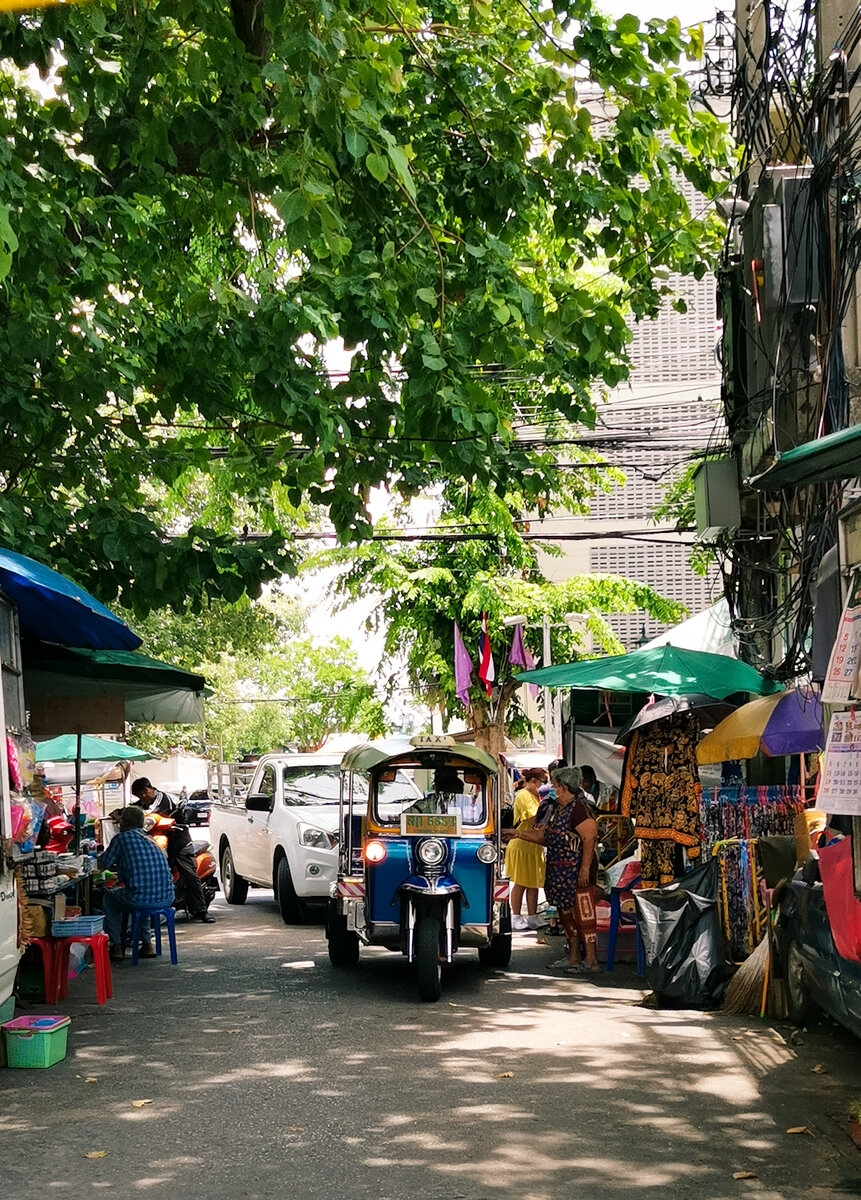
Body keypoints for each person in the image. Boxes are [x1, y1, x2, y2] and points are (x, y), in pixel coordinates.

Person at [505, 765, 600, 973]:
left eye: (555, 786)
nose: (552, 789)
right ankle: (573, 957)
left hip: (576, 873)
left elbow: (589, 837)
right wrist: (518, 834)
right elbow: (546, 837)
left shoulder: (579, 808)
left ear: (565, 788)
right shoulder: (560, 809)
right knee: (566, 915)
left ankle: (591, 961)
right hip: (560, 873)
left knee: (583, 914)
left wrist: (584, 868)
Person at [130, 778, 215, 924]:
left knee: (189, 873)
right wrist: (120, 813)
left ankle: (202, 911)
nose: (143, 797)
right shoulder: (143, 803)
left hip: (178, 842)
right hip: (156, 841)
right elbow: (133, 810)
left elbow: (152, 812)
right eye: (139, 795)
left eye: (144, 793)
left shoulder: (163, 799)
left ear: (149, 789)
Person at [100, 805, 175, 961]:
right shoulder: (150, 839)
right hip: (167, 896)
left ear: (124, 823)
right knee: (143, 895)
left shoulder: (121, 838)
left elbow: (104, 863)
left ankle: (116, 946)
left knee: (109, 900)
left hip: (140, 898)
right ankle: (147, 944)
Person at [504, 768, 547, 930]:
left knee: (534, 883)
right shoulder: (523, 795)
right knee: (521, 882)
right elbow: (534, 817)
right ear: (535, 781)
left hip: (534, 845)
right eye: (542, 782)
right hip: (521, 844)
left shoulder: (538, 796)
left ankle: (532, 916)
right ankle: (515, 916)